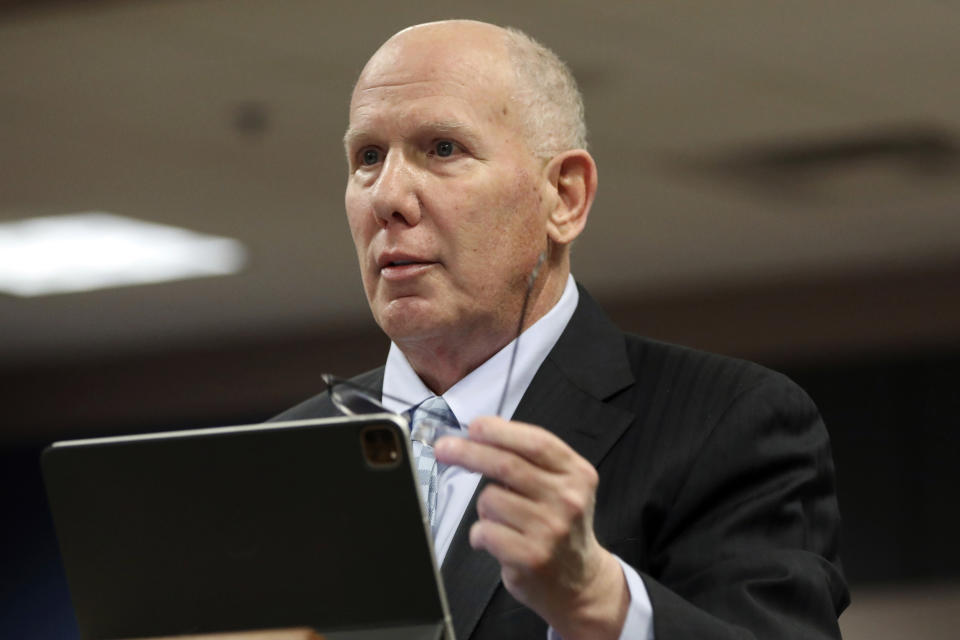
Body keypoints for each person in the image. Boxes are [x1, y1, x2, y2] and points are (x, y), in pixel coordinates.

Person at [275, 19, 848, 639]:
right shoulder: (275, 457)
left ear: (564, 197)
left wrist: (600, 602)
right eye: (367, 157)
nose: (388, 195)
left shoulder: (725, 422)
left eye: (443, 149)